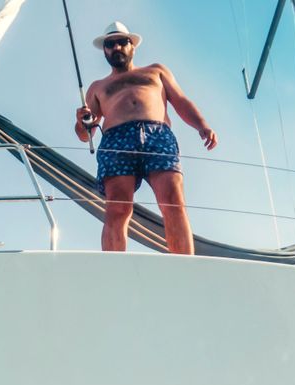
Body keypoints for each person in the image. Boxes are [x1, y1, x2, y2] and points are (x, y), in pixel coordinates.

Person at [74, 21, 217, 255]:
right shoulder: (97, 87)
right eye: (110, 44)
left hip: (157, 134)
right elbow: (85, 134)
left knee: (173, 202)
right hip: (116, 139)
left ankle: (185, 268)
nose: (116, 47)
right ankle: (114, 269)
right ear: (105, 51)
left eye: (122, 42)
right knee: (118, 208)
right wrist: (83, 121)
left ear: (132, 45)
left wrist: (202, 126)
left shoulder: (156, 71)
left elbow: (180, 101)